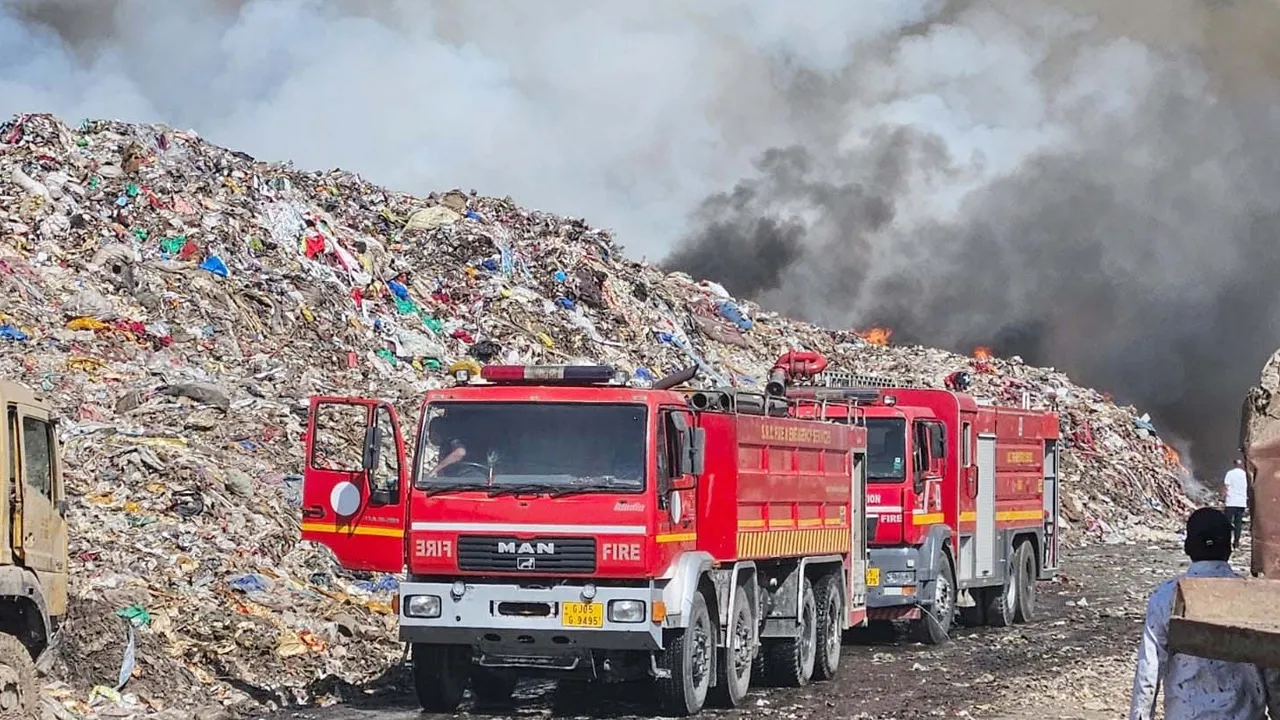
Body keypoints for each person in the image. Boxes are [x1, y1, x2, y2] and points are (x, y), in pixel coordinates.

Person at [1129, 507, 1279, 719]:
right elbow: (1272, 670)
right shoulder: (1255, 597)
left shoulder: (1167, 596)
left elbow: (1149, 670)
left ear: (1187, 547)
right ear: (1229, 547)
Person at [1223, 458, 1248, 549]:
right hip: (1241, 502)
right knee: (1238, 524)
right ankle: (1236, 543)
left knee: (1227, 523)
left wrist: (1223, 498)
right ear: (1241, 465)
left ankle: (1227, 542)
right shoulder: (1245, 475)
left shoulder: (1230, 473)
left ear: (1234, 464)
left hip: (1231, 502)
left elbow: (1226, 487)